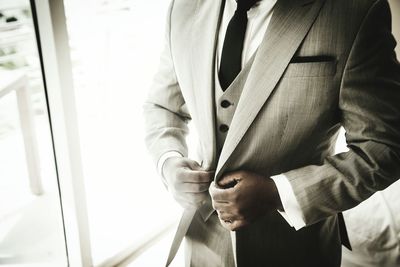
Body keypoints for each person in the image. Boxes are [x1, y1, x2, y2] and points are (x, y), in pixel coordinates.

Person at [143, 0, 400, 266]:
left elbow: (384, 146)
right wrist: (169, 162)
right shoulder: (184, 7)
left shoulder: (356, 11)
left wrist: (278, 193)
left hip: (296, 250)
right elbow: (162, 106)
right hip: (201, 245)